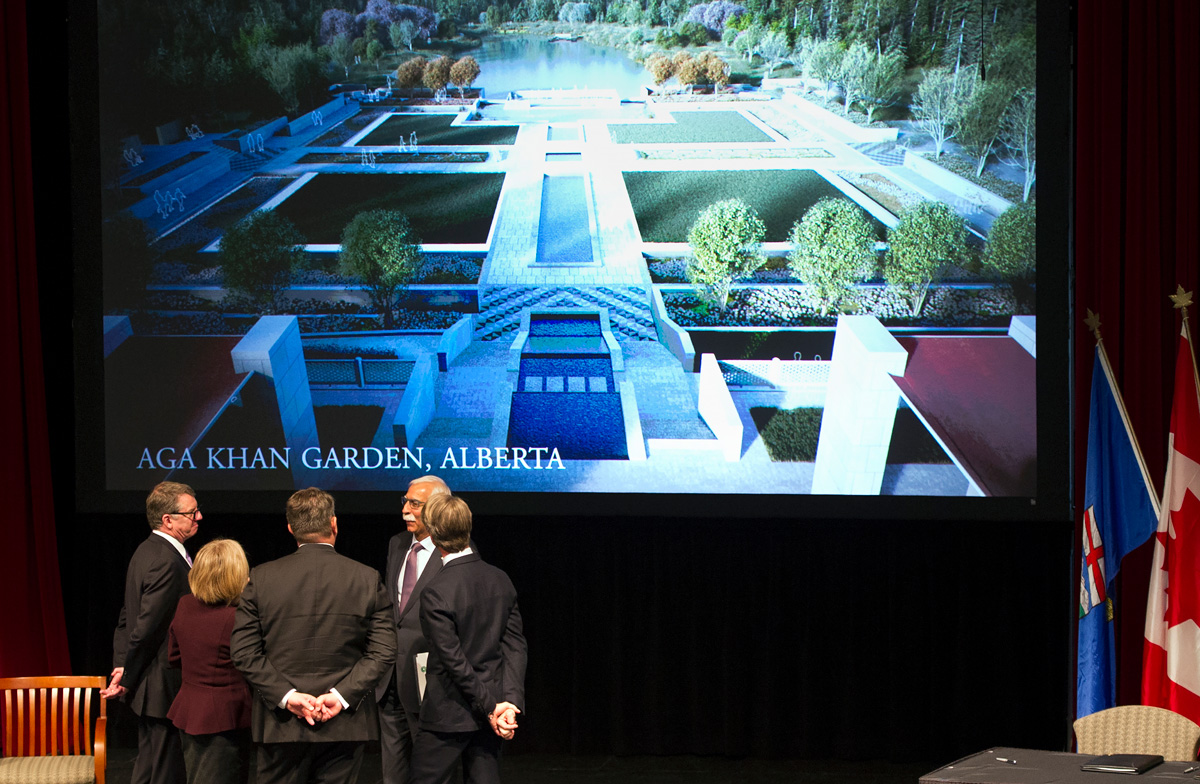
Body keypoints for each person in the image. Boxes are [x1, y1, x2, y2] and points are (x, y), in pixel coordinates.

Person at [231, 487, 397, 784]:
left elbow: (244, 653)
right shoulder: (367, 578)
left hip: (280, 725)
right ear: (334, 524)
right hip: (345, 723)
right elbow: (383, 651)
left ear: (291, 528)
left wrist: (288, 697)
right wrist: (340, 696)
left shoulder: (261, 578)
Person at [411, 495, 527, 784]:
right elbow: (515, 646)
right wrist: (508, 702)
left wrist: (493, 707)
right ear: (468, 527)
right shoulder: (500, 578)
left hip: (448, 713)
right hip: (490, 711)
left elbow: (454, 661)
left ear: (433, 533)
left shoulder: (436, 590)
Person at [102, 481, 200, 784]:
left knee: (149, 768)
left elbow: (126, 618)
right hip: (160, 686)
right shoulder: (166, 561)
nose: (199, 517)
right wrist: (126, 676)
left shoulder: (146, 550)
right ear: (167, 519)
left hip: (147, 682)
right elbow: (145, 627)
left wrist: (122, 666)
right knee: (165, 771)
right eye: (192, 512)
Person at [377, 475, 452, 784]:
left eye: (415, 504)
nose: (405, 510)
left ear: (436, 508)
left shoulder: (455, 551)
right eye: (405, 501)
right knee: (392, 769)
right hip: (391, 675)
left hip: (429, 678)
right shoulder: (397, 544)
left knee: (431, 771)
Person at [167, 538, 253, 784]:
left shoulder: (185, 604)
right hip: (224, 717)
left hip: (191, 709)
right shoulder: (237, 617)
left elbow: (173, 656)